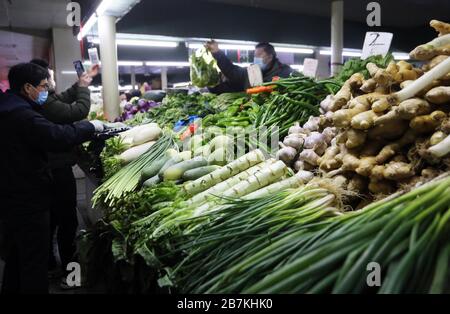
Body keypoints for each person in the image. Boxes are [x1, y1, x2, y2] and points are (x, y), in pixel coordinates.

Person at [0, 62, 105, 294]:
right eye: (44, 86)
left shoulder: (10, 105)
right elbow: (56, 135)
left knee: (18, 257)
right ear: (28, 88)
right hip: (27, 198)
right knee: (33, 262)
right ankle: (63, 277)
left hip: (12, 195)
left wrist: (80, 85)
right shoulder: (22, 115)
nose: (47, 90)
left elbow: (57, 104)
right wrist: (90, 126)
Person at [30, 59, 96, 285]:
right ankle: (71, 277)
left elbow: (60, 99)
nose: (51, 83)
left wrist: (80, 83)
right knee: (67, 223)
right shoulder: (43, 104)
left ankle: (49, 267)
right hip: (57, 171)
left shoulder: (40, 100)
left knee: (51, 222)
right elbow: (77, 110)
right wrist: (85, 90)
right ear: (34, 85)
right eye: (47, 80)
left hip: (45, 171)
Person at [205, 41, 293, 94]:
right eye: (255, 56)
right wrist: (217, 53)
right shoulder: (251, 71)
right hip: (253, 115)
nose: (256, 59)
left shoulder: (285, 72)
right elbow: (232, 71)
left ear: (270, 57)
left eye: (259, 55)